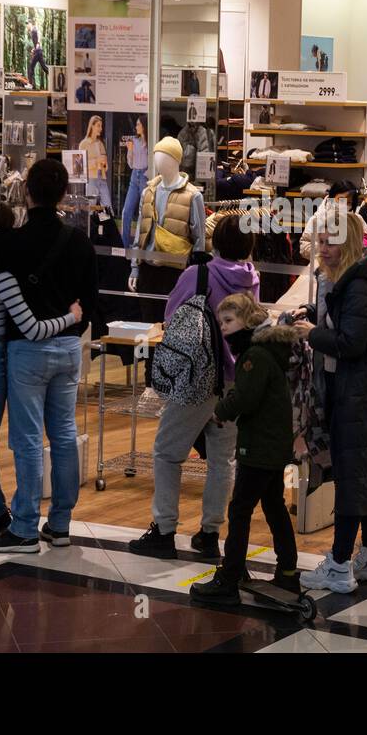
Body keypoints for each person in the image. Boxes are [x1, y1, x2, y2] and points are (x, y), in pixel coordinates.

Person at [0, 159, 98, 554]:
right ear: (64, 193)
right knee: (65, 435)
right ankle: (61, 523)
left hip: (26, 350)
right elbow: (93, 301)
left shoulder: (12, 242)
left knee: (28, 439)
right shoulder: (80, 241)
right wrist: (73, 326)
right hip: (69, 347)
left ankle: (25, 527)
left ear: (27, 193)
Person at [129, 215, 259, 559]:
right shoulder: (251, 280)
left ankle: (164, 529)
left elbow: (174, 318)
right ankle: (210, 532)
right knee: (222, 459)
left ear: (214, 242)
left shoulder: (196, 274)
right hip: (234, 380)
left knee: (168, 452)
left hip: (197, 378)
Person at [293, 207, 367, 593]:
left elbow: (350, 342)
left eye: (330, 242)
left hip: (357, 398)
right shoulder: (346, 284)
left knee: (352, 479)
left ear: (348, 243)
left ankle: (338, 564)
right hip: (358, 396)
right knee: (365, 476)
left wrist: (312, 333)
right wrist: (315, 316)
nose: (323, 249)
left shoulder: (357, 288)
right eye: (319, 241)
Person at [190, 293, 301, 604]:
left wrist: (220, 412)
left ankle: (230, 575)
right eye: (220, 321)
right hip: (274, 444)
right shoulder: (267, 350)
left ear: (248, 321)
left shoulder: (254, 356)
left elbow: (246, 396)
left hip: (259, 447)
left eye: (229, 321)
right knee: (274, 506)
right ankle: (287, 573)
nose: (223, 328)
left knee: (240, 509)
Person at [120, 116, 149, 249]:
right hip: (134, 175)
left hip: (145, 176)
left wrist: (147, 175)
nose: (136, 127)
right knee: (126, 211)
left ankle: (139, 244)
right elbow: (131, 164)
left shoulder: (150, 142)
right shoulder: (134, 141)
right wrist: (130, 150)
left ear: (143, 126)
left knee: (143, 213)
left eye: (138, 124)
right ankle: (124, 245)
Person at [79, 114, 113, 210]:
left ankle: (105, 224)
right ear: (92, 126)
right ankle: (91, 225)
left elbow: (106, 166)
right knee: (91, 206)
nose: (100, 128)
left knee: (107, 206)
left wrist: (104, 164)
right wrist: (96, 161)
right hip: (91, 179)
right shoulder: (83, 144)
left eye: (101, 126)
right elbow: (80, 166)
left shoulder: (100, 144)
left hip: (102, 178)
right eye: (98, 125)